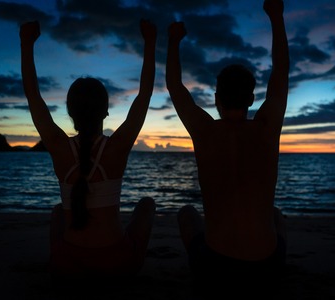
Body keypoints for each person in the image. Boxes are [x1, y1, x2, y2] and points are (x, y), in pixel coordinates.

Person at [20, 19, 157, 285]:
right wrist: (150, 43)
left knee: (59, 211)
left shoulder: (59, 147)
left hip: (66, 267)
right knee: (147, 205)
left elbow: (32, 95)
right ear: (106, 111)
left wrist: (26, 44)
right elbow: (144, 95)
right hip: (118, 266)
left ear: (70, 112)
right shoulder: (116, 147)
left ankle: (62, 257)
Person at [166, 0, 289, 296]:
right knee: (277, 216)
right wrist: (276, 17)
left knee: (185, 214)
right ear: (250, 98)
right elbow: (281, 72)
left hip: (216, 268)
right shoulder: (266, 128)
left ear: (217, 97)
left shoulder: (204, 130)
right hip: (267, 268)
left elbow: (175, 87)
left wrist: (173, 41)